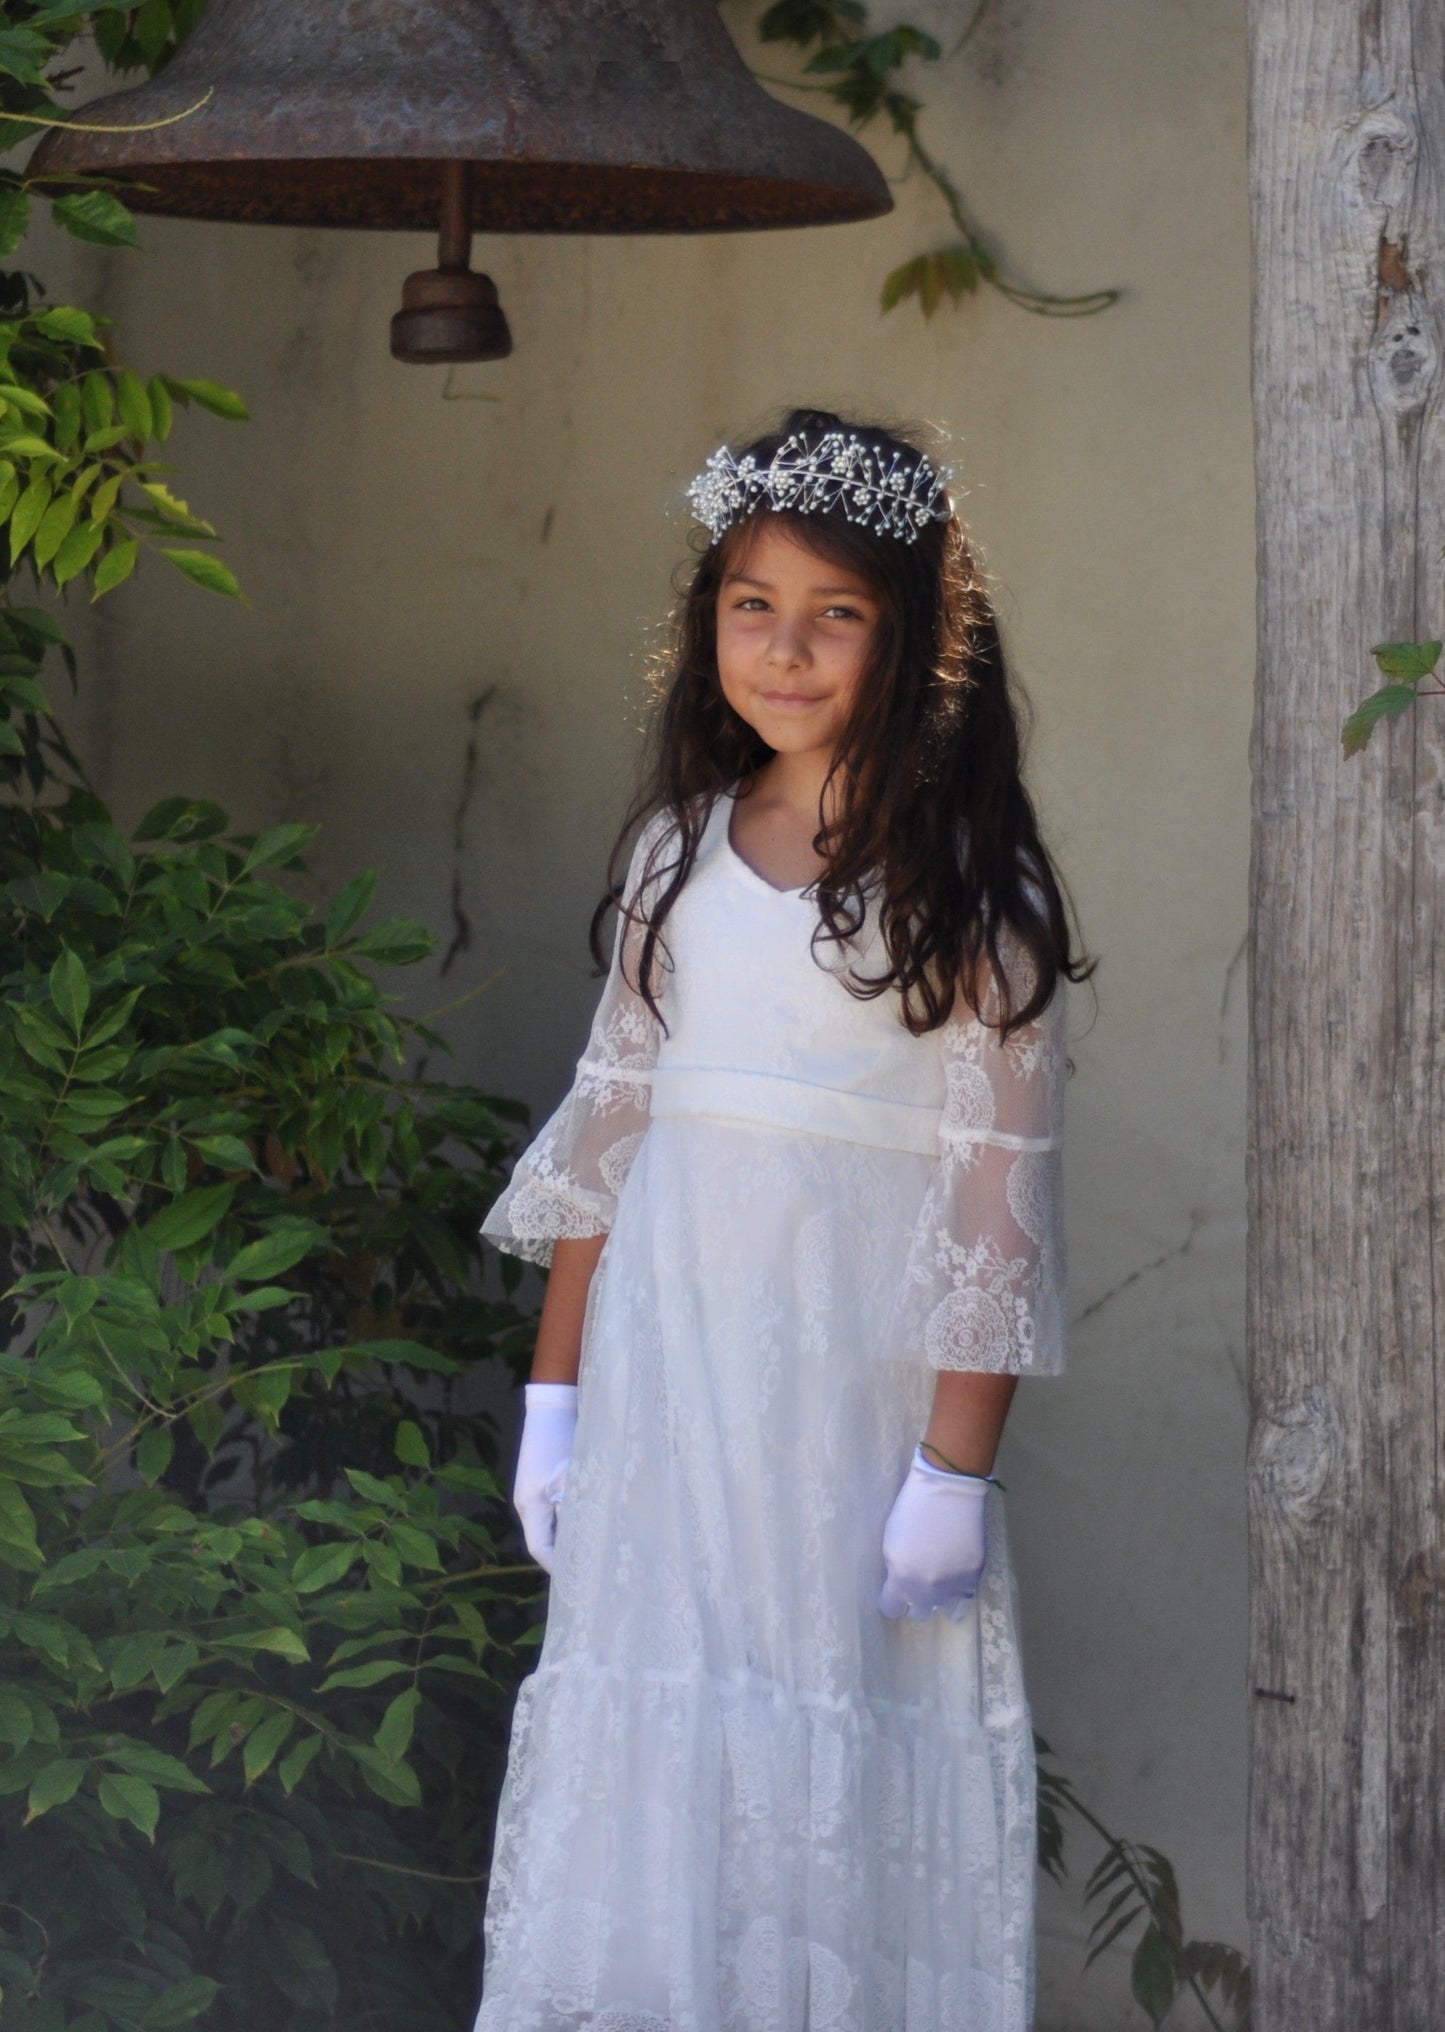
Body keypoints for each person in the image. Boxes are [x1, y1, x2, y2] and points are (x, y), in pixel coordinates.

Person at [472, 408, 1089, 2032]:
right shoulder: (675, 857)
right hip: (671, 1403)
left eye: (836, 613)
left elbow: (992, 1218)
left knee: (823, 1734)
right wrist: (554, 1403)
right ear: (705, 628)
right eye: (752, 604)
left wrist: (951, 1474)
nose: (787, 648)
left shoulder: (972, 898)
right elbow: (606, 1139)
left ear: (912, 635)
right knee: (660, 1735)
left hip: (846, 1414)